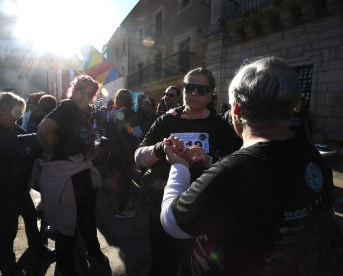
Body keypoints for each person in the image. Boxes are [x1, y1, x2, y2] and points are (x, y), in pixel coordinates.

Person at [160, 56, 336, 275]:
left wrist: (179, 167)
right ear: (292, 108)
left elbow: (173, 223)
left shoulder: (232, 171)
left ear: (236, 109)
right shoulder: (314, 157)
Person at [134, 67, 240, 276]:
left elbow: (234, 166)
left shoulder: (219, 125)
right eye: (189, 87)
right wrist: (159, 148)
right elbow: (138, 157)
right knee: (161, 263)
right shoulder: (166, 120)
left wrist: (208, 159)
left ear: (211, 94)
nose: (193, 93)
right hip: (162, 207)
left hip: (204, 211)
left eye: (201, 90)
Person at [37, 75, 109, 275]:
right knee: (68, 221)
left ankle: (90, 253)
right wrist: (51, 153)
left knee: (85, 218)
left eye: (89, 93)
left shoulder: (83, 111)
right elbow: (43, 130)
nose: (83, 96)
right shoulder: (68, 107)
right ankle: (66, 265)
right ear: (73, 89)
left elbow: (76, 138)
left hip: (80, 171)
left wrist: (89, 151)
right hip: (70, 174)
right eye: (81, 90)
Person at [0, 92, 47, 276]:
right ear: (2, 110)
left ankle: (38, 248)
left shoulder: (9, 126)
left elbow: (23, 138)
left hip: (17, 185)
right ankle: (7, 265)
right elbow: (13, 142)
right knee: (9, 228)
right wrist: (40, 135)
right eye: (16, 113)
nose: (18, 118)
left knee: (30, 217)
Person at [105, 89, 141, 219]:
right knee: (125, 180)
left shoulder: (112, 113)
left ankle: (122, 203)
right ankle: (121, 210)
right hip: (125, 153)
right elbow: (136, 132)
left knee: (119, 178)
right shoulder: (127, 113)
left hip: (114, 151)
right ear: (129, 100)